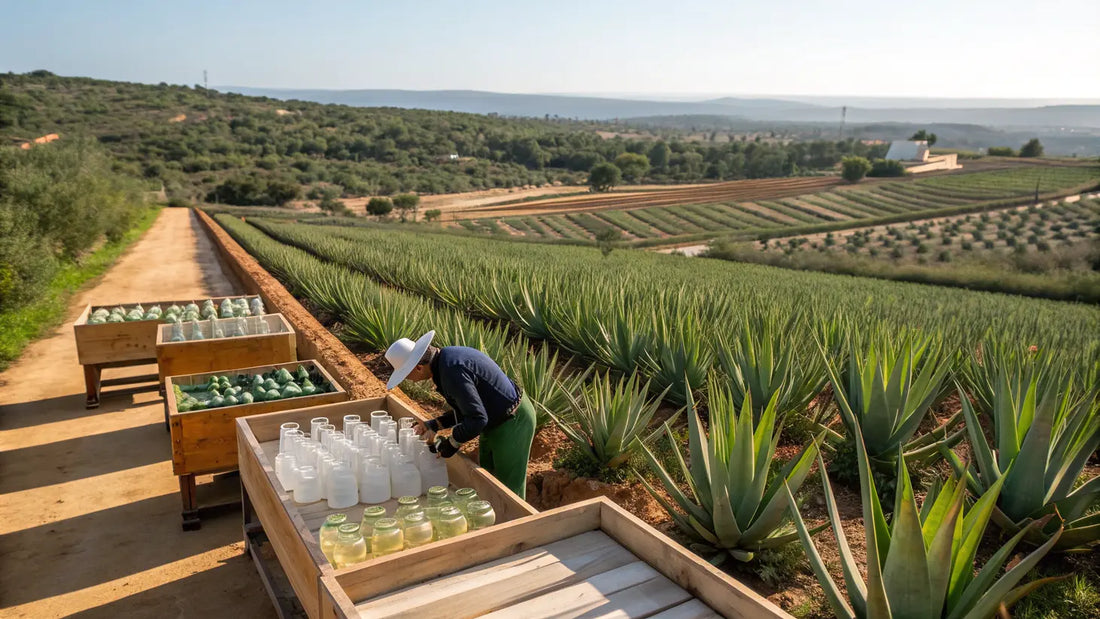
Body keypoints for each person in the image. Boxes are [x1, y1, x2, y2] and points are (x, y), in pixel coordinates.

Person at [383, 331, 535, 499]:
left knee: (508, 489)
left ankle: (516, 523)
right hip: (493, 418)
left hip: (512, 421)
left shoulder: (452, 371)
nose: (409, 380)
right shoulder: (445, 362)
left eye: (406, 375)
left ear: (418, 367)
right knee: (489, 477)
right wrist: (432, 425)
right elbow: (467, 410)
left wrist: (452, 443)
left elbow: (477, 419)